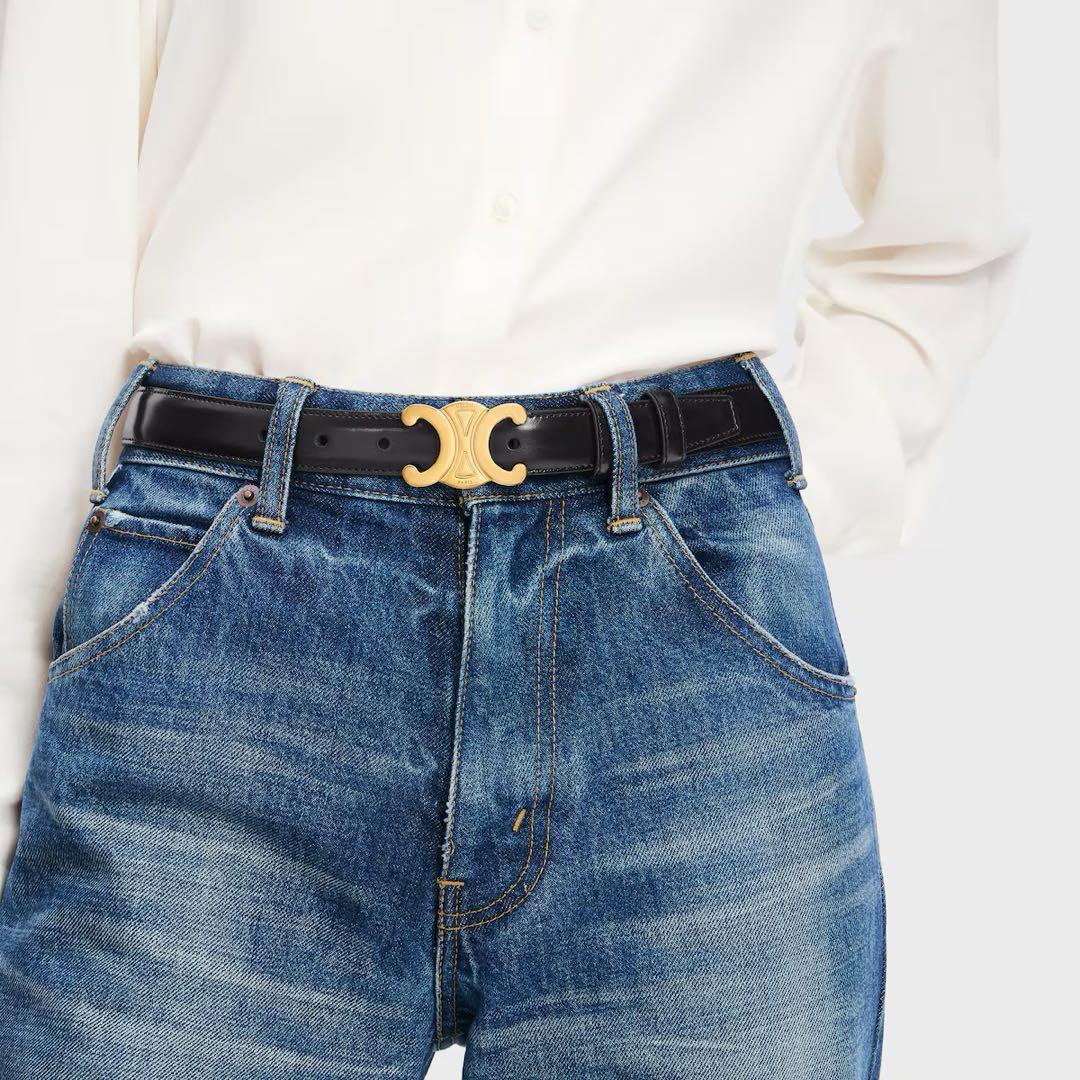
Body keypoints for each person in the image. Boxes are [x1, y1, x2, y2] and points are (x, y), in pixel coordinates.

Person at [0, 3, 1023, 1077]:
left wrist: (767, 490)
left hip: (688, 663)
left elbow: (938, 238)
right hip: (218, 641)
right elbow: (43, 228)